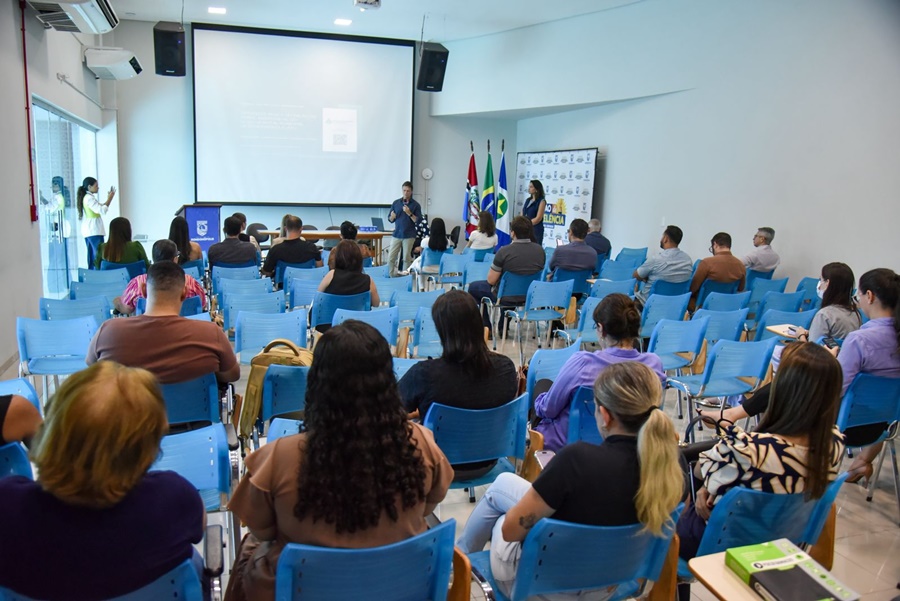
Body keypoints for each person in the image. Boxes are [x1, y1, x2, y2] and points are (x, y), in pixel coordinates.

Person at [224, 321, 453, 601]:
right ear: (386, 382)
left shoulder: (279, 457)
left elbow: (262, 528)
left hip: (305, 590)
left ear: (318, 383)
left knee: (250, 546)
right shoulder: (420, 443)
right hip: (396, 587)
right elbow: (430, 503)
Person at [456, 362, 684, 598]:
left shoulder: (577, 461)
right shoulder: (670, 468)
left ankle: (459, 563)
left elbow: (510, 532)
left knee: (502, 517)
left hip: (538, 589)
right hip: (608, 586)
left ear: (605, 415)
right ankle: (459, 558)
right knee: (504, 483)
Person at [0, 362, 205, 599]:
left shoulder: (7, 507)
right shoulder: (174, 498)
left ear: (51, 429)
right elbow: (197, 531)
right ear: (148, 448)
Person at [677, 342, 845, 560]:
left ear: (782, 389)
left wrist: (707, 484)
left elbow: (700, 471)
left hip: (718, 545)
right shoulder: (834, 443)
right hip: (783, 542)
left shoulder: (746, 450)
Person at [398, 290, 518, 477]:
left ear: (442, 332)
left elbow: (388, 411)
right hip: (490, 461)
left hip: (437, 466)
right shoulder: (506, 368)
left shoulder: (424, 374)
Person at [533, 293, 666, 451]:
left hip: (569, 445)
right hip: (635, 445)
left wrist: (540, 402)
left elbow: (549, 409)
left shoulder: (583, 363)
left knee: (542, 386)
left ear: (601, 329)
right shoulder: (654, 365)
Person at [87, 261, 240, 385]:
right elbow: (232, 374)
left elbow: (93, 369)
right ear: (184, 293)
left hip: (128, 420)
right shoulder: (210, 333)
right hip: (196, 422)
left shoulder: (108, 331)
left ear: (144, 291)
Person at [827, 268, 900, 483]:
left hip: (841, 428)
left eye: (858, 295)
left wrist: (831, 362)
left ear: (870, 296)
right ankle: (862, 462)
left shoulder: (860, 339)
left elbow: (835, 389)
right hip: (884, 428)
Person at [468, 216, 545, 333]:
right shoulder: (540, 251)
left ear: (513, 233)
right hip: (530, 296)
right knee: (510, 289)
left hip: (505, 296)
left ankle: (486, 328)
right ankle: (502, 324)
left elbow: (491, 281)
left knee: (474, 287)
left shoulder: (504, 251)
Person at [115, 239, 207, 315]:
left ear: (153, 258)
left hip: (146, 334)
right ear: (175, 259)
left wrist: (117, 302)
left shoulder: (137, 283)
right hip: (184, 333)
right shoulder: (190, 282)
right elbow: (202, 305)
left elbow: (126, 309)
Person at [315, 240, 380, 331]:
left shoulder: (331, 275)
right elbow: (376, 304)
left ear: (338, 257)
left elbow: (318, 299)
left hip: (330, 328)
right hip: (357, 328)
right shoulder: (368, 280)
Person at [632, 225, 693, 305]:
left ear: (665, 238)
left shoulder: (656, 259)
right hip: (673, 307)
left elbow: (636, 275)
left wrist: (645, 278)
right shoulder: (688, 260)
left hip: (647, 305)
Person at [689, 232, 746, 310]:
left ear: (715, 244)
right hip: (725, 306)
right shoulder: (741, 265)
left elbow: (693, 288)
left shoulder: (706, 262)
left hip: (703, 306)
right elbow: (740, 288)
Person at [260, 215, 322, 279]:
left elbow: (267, 272)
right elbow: (320, 267)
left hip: (283, 285)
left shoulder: (276, 249)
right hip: (306, 284)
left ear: (285, 229)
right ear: (301, 229)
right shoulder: (312, 247)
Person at [77, 176, 115, 269]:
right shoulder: (89, 198)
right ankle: (97, 275)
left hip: (91, 231)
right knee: (97, 256)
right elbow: (101, 210)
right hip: (94, 230)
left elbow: (101, 206)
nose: (98, 187)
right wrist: (110, 199)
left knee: (92, 256)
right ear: (89, 187)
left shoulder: (87, 198)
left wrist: (108, 199)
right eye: (96, 185)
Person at [386, 181, 423, 277]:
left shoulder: (415, 205)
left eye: (408, 191)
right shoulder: (396, 203)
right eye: (404, 190)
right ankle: (390, 276)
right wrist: (392, 217)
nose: (406, 193)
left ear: (411, 192)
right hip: (397, 234)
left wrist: (409, 213)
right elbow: (390, 219)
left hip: (409, 235)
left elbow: (418, 221)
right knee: (391, 257)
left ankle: (405, 279)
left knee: (406, 258)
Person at [408, 217, 450, 289]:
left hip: (426, 268)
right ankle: (409, 269)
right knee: (420, 261)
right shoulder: (447, 242)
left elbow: (422, 255)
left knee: (419, 263)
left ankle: (421, 287)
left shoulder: (425, 241)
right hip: (442, 268)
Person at [522, 179, 547, 244]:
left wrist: (527, 224)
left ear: (536, 189)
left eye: (531, 187)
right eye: (529, 187)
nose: (529, 188)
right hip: (525, 229)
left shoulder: (541, 201)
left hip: (535, 230)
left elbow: (538, 218)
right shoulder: (528, 200)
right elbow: (522, 212)